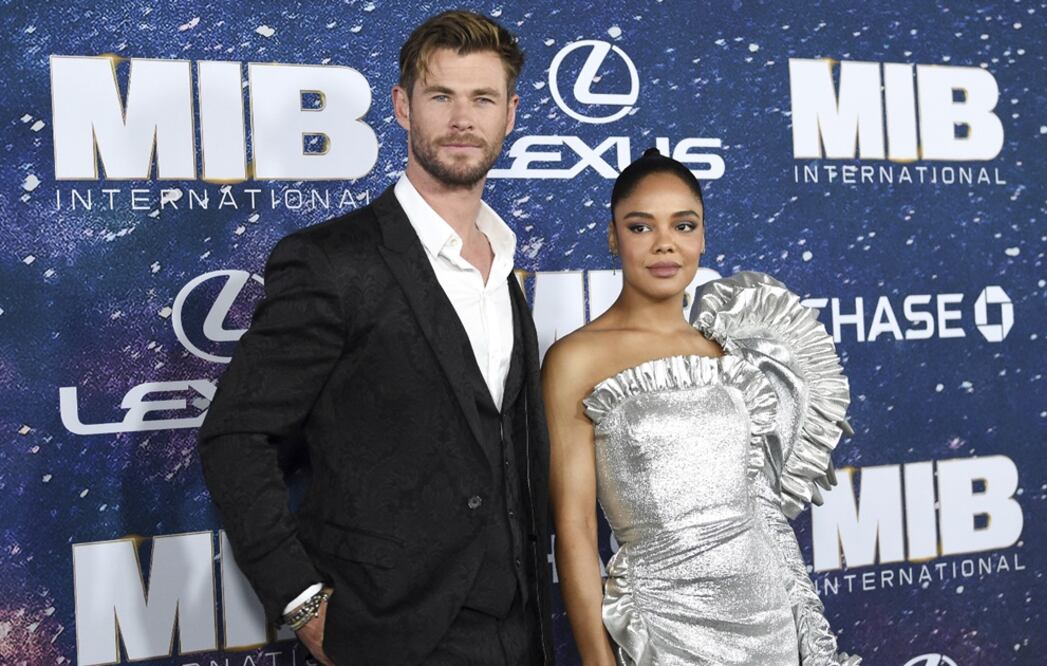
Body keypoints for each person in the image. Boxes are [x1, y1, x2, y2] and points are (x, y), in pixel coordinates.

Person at [198, 11, 552, 665]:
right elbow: (235, 436)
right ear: (401, 106)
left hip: (520, 630)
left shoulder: (503, 262)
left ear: (510, 113)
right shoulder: (331, 260)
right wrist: (300, 601)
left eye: (482, 99)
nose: (461, 119)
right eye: (440, 96)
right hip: (390, 634)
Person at [543, 149, 860, 665]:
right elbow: (575, 530)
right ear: (612, 236)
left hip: (771, 618)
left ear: (702, 237)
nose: (665, 243)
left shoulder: (731, 352)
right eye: (641, 226)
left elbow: (760, 507)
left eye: (683, 225)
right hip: (664, 630)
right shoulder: (576, 360)